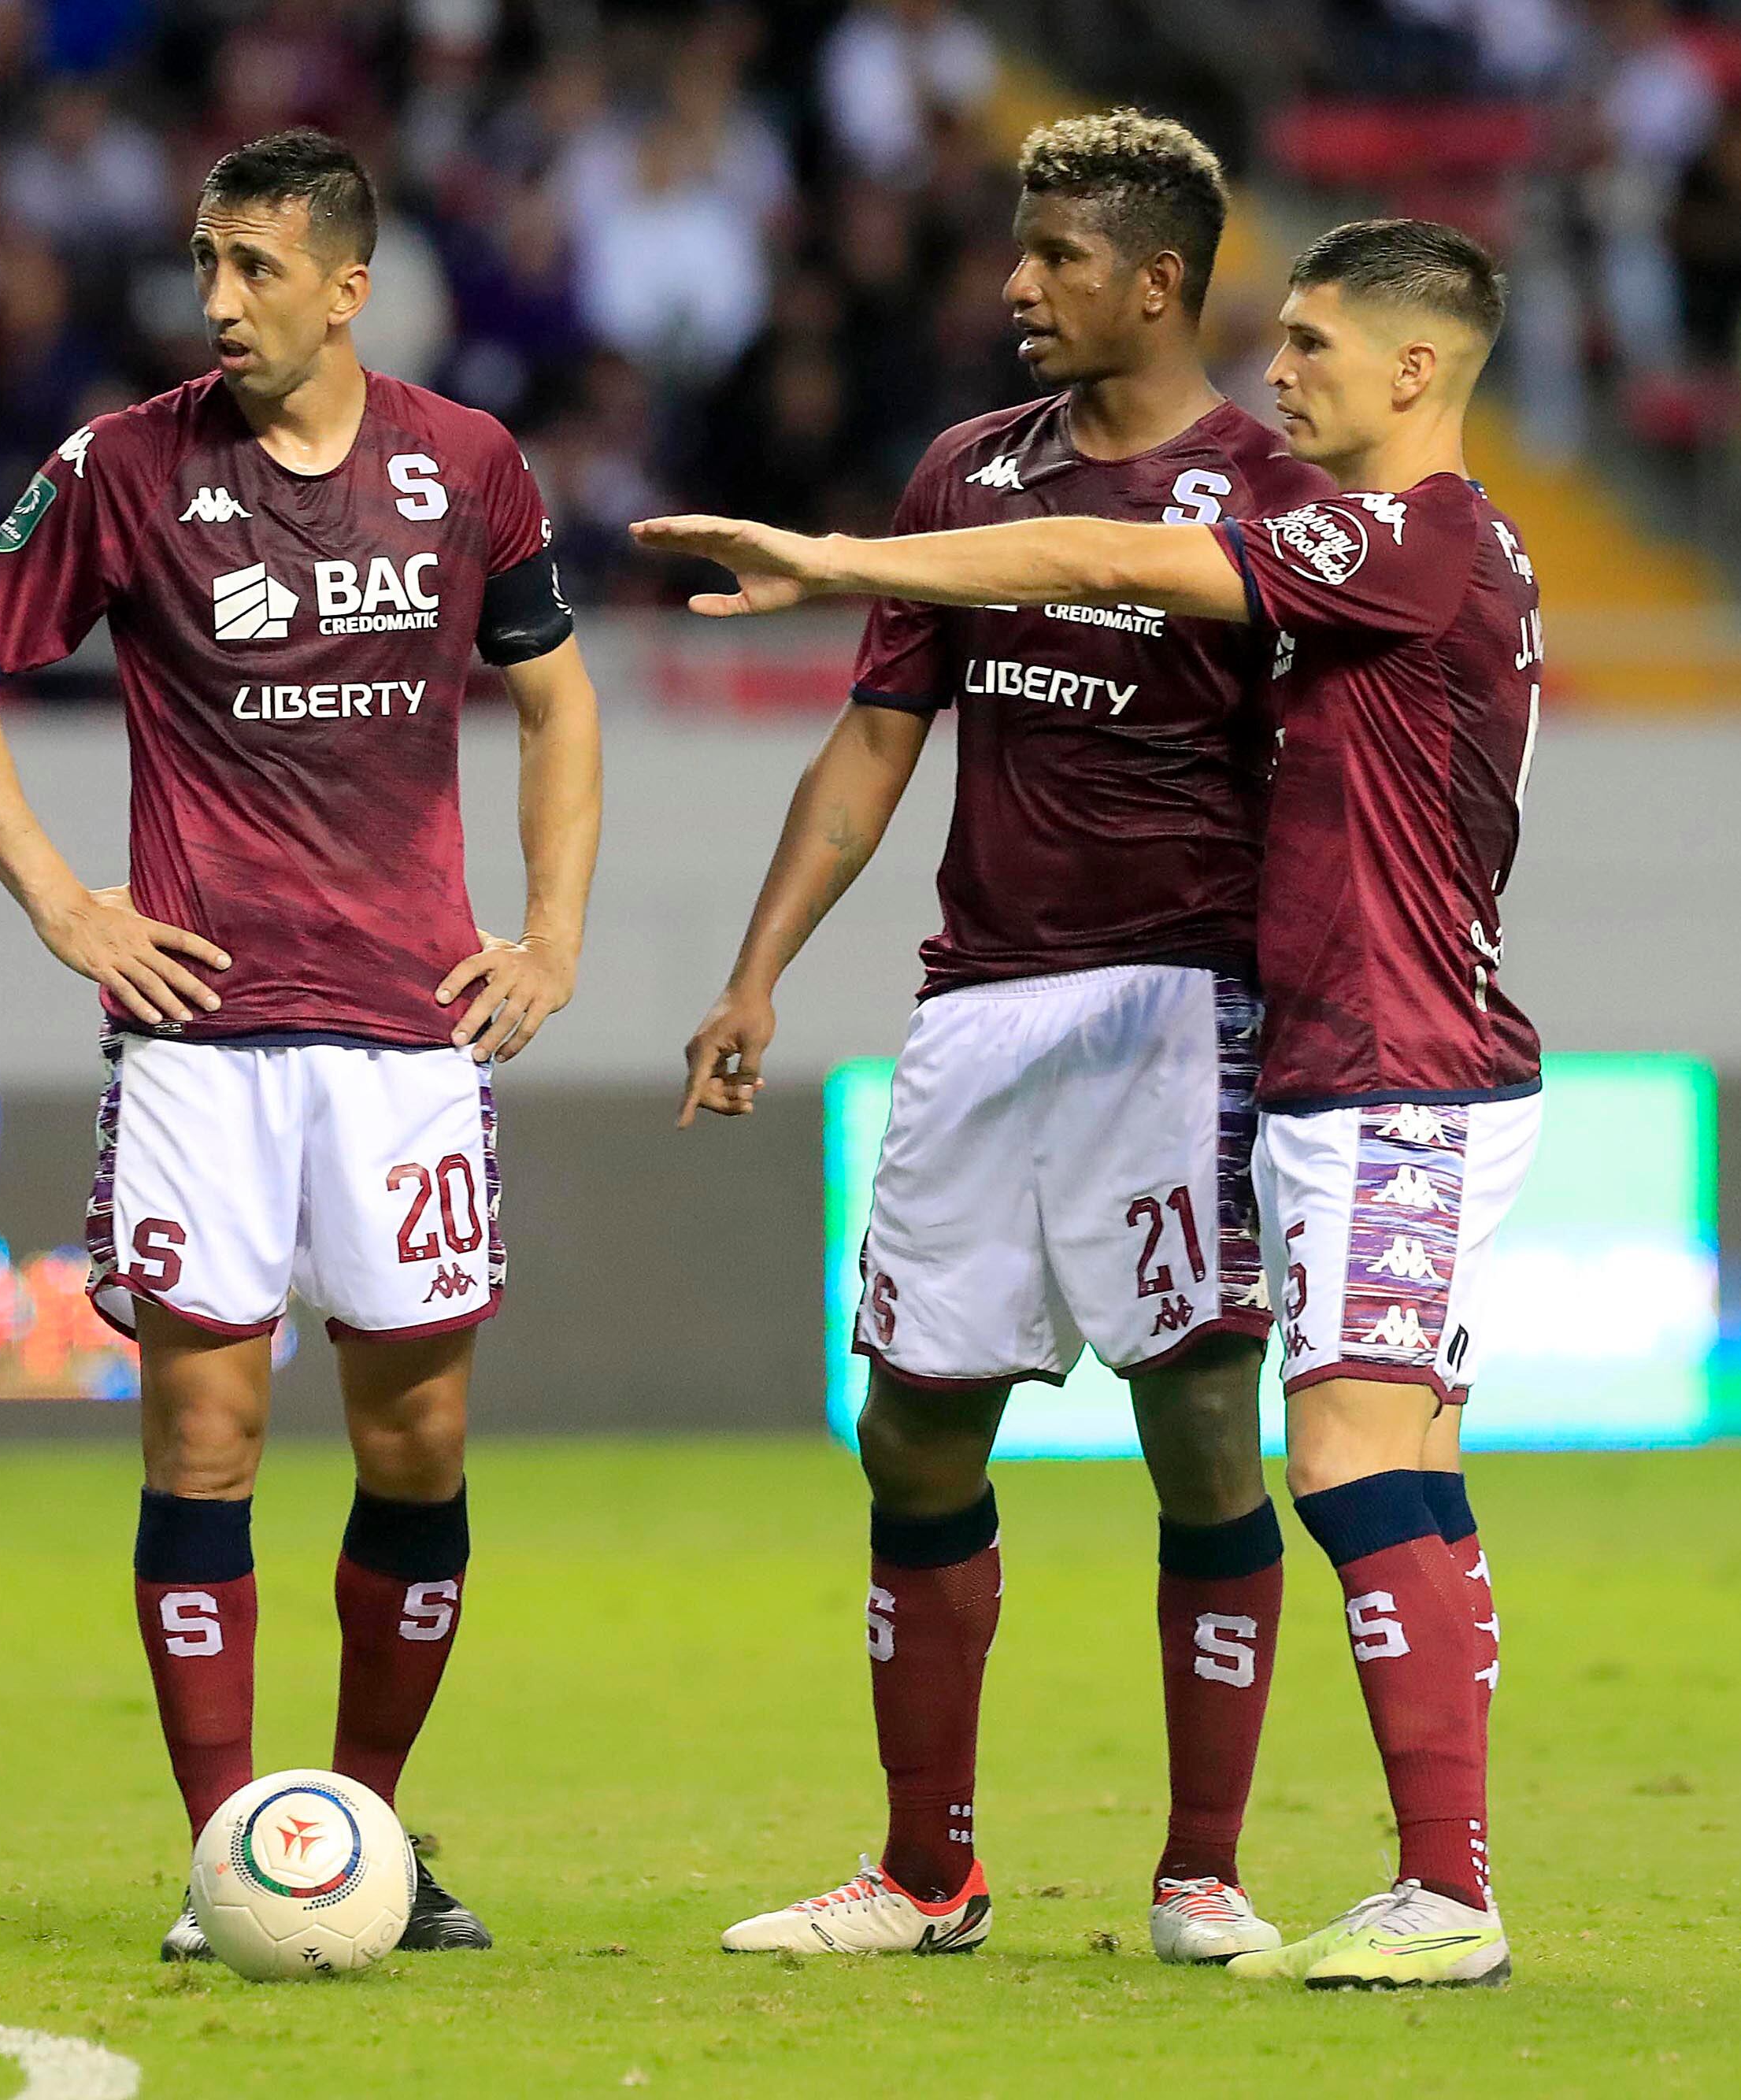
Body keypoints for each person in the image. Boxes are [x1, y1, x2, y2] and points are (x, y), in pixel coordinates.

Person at [637, 216, 1542, 1991]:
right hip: (1343, 1057)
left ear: (1414, 370)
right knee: (1402, 1465)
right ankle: (1424, 1874)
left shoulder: (1408, 542)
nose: (1276, 375)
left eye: (1310, 345)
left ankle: (1437, 1890)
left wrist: (841, 557)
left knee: (1344, 1452)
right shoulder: (1396, 542)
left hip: (1397, 1060)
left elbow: (1116, 558)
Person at [0, 128, 602, 1964]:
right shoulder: (121, 465)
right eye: (204, 263)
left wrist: (551, 936)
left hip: (406, 1030)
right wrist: (67, 903)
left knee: (419, 1439)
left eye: (255, 269)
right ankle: (232, 1852)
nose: (215, 301)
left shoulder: (468, 465)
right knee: (200, 1442)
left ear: (347, 285)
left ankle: (362, 1825)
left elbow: (555, 694)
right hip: (199, 1034)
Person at [678, 111, 1330, 1965]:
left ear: (1156, 282)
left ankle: (1201, 1868)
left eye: (1051, 256)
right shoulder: (962, 474)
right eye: (1014, 250)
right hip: (978, 1008)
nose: (1011, 285)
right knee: (911, 1431)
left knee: (1199, 1425)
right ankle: (922, 1868)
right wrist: (756, 971)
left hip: (1184, 1010)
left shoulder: (1274, 490)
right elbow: (876, 741)